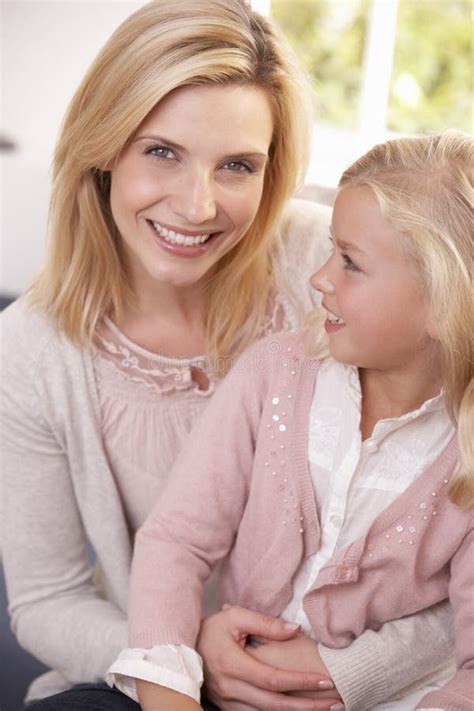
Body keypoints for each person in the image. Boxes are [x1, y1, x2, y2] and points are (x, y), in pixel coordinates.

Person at [0, 1, 453, 709]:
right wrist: (178, 657)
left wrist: (340, 669)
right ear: (102, 146)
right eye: (162, 152)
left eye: (237, 165)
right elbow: (46, 599)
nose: (198, 205)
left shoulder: (326, 263)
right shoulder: (31, 349)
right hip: (137, 672)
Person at [109, 130, 473, 711]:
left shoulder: (464, 456)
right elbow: (177, 539)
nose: (320, 277)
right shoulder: (275, 373)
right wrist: (170, 690)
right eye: (330, 249)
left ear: (445, 304)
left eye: (350, 262)